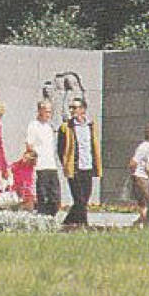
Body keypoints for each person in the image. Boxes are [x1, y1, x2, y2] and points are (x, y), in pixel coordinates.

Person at [58, 97, 102, 228]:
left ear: (83, 109)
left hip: (88, 167)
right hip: (74, 168)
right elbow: (60, 149)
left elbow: (93, 146)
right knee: (79, 199)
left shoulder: (90, 125)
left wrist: (95, 164)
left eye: (75, 107)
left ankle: (67, 223)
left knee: (84, 200)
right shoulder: (66, 127)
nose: (72, 110)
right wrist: (66, 165)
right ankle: (84, 225)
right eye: (71, 107)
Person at [25, 100, 62, 217]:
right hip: (40, 166)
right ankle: (43, 217)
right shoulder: (33, 125)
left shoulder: (49, 127)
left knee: (55, 195)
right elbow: (29, 145)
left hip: (51, 165)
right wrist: (33, 157)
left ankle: (52, 216)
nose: (48, 114)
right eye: (46, 111)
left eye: (50, 112)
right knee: (43, 195)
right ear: (40, 111)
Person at [127, 125, 149, 227]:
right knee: (148, 203)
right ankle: (145, 223)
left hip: (144, 177)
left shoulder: (144, 146)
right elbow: (134, 162)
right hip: (144, 177)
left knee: (146, 203)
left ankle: (142, 222)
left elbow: (133, 163)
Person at [11, 144, 38, 210]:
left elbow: (33, 183)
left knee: (29, 205)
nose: (24, 159)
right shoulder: (16, 165)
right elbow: (9, 170)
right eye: (24, 157)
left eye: (27, 158)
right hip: (17, 191)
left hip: (28, 194)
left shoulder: (32, 168)